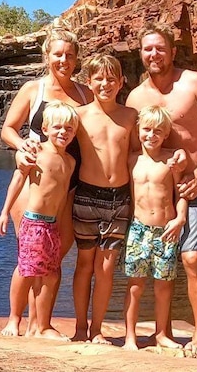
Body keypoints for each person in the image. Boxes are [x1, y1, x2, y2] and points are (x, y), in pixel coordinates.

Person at [125, 23, 197, 358]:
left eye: (159, 48)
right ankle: (163, 332)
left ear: (171, 51)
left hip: (191, 183)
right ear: (141, 55)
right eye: (147, 49)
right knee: (157, 265)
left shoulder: (194, 82)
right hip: (155, 191)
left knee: (191, 256)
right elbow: (127, 147)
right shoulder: (136, 97)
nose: (154, 54)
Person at [0, 23, 92, 334]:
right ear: (46, 56)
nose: (63, 60)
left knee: (55, 254)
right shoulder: (33, 90)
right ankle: (15, 319)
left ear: (77, 59)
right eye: (57, 54)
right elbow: (8, 129)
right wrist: (20, 146)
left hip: (69, 184)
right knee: (29, 254)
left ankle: (42, 324)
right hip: (33, 181)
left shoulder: (85, 93)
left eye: (69, 55)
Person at [0, 102, 79, 339]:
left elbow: (62, 196)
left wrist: (60, 226)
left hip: (52, 225)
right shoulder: (36, 152)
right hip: (32, 222)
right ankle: (14, 319)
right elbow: (17, 180)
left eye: (69, 129)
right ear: (44, 128)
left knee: (51, 274)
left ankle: (41, 326)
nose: (63, 132)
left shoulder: (70, 162)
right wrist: (4, 212)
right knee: (26, 270)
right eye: (58, 127)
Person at [71, 54, 137, 344]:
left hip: (119, 199)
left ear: (121, 82)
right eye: (99, 78)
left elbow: (138, 154)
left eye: (112, 78)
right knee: (85, 264)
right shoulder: (79, 115)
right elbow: (56, 143)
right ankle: (80, 327)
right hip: (87, 195)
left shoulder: (130, 116)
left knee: (107, 267)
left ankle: (97, 328)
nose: (105, 83)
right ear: (89, 82)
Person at [123, 105, 187, 351]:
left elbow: (180, 191)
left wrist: (180, 217)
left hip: (166, 231)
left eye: (158, 131)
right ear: (138, 130)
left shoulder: (171, 161)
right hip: (138, 230)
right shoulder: (131, 160)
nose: (151, 135)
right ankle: (130, 336)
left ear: (166, 133)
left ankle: (161, 333)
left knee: (163, 285)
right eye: (147, 130)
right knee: (136, 285)